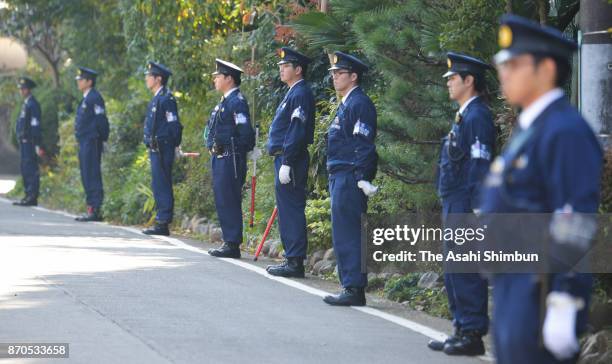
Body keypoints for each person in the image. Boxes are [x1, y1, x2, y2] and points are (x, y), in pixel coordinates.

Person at [480, 14, 603, 364]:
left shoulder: (565, 131)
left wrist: (565, 300)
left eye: (515, 64)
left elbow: (575, 221)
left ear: (546, 69)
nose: (504, 73)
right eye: (502, 64)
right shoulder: (531, 127)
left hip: (540, 293)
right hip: (513, 286)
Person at [428, 52, 495, 356]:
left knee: (464, 267)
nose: (449, 84)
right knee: (454, 267)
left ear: (469, 81)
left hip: (466, 203)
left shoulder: (478, 115)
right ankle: (461, 327)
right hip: (455, 200)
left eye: (453, 78)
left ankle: (472, 332)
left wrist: (479, 205)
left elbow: (480, 162)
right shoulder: (465, 115)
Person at [323, 51, 378, 306]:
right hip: (340, 174)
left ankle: (354, 288)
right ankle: (349, 284)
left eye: (340, 73)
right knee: (342, 230)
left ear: (353, 76)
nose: (334, 77)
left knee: (350, 232)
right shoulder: (346, 103)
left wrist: (363, 176)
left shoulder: (359, 103)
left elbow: (363, 143)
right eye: (333, 73)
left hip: (349, 176)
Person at [265, 47, 315, 277]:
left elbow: (296, 130)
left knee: (292, 209)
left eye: (286, 66)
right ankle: (291, 258)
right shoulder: (292, 92)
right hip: (285, 159)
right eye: (281, 66)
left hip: (291, 160)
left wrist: (287, 160)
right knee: (287, 209)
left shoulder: (300, 93)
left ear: (298, 69)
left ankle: (295, 262)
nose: (282, 70)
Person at [206, 59, 255, 258]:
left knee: (229, 198)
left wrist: (240, 151)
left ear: (229, 78)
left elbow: (245, 134)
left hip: (231, 158)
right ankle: (229, 240)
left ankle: (233, 243)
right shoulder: (225, 102)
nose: (215, 79)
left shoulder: (237, 102)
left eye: (218, 76)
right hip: (220, 157)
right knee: (222, 198)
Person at [142, 62, 183, 236]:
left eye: (149, 76)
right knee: (158, 184)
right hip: (155, 148)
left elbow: (174, 125)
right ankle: (160, 219)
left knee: (163, 183)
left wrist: (172, 145)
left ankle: (163, 221)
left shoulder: (166, 99)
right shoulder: (157, 98)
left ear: (158, 79)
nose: (146, 78)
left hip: (163, 148)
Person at [74, 67, 109, 221]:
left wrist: (101, 138)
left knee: (92, 174)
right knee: (86, 174)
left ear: (89, 82)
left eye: (81, 79)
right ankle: (91, 208)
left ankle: (95, 209)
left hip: (92, 141)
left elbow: (101, 120)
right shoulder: (86, 98)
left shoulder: (94, 97)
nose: (79, 82)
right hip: (84, 141)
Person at [13, 77, 42, 207]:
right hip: (24, 142)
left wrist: (36, 143)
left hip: (30, 142)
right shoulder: (26, 104)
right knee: (25, 168)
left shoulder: (33, 104)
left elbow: (35, 124)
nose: (21, 91)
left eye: (23, 89)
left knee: (30, 168)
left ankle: (32, 196)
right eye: (21, 89)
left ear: (29, 90)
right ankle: (27, 194)